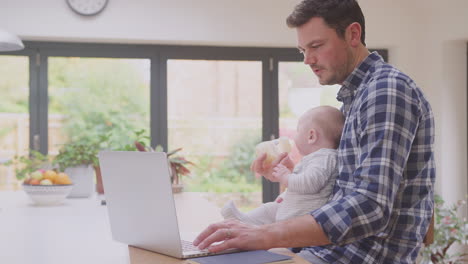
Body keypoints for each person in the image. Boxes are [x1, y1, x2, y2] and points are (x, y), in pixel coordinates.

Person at [193, 0, 436, 263]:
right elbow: (342, 188)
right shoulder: (356, 97)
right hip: (328, 251)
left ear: (353, 34)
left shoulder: (386, 91)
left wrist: (265, 234)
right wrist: (297, 175)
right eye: (302, 50)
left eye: (316, 46)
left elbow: (370, 206)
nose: (308, 60)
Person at [221, 106, 344, 226]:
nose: (294, 137)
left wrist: (286, 176)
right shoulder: (317, 158)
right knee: (269, 209)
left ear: (311, 136)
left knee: (270, 214)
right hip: (294, 211)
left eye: (298, 131)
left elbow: (310, 184)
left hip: (301, 218)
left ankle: (244, 224)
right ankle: (242, 220)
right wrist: (291, 176)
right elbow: (310, 179)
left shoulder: (325, 157)